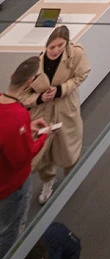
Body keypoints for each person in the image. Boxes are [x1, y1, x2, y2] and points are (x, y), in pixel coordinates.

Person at [19, 26, 89, 205]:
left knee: (69, 145)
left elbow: (82, 74)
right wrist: (40, 98)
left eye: (60, 45)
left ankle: (71, 176)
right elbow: (23, 95)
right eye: (52, 46)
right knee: (43, 152)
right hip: (42, 112)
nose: (56, 50)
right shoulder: (35, 64)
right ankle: (48, 180)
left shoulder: (75, 54)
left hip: (65, 108)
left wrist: (60, 90)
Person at [0, 57, 50, 255]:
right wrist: (42, 137)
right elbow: (22, 157)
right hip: (11, 187)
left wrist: (25, 129)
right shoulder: (18, 114)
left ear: (12, 76)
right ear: (30, 82)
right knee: (10, 230)